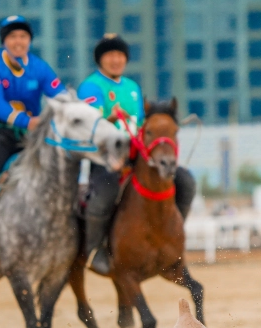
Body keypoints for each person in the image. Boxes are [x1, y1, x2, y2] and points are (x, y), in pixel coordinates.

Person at [76, 34, 197, 275]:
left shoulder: (132, 88)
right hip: (104, 158)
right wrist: (108, 118)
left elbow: (142, 126)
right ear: (100, 59)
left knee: (185, 180)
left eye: (120, 55)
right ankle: (94, 249)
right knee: (105, 194)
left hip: (136, 156)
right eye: (109, 55)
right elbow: (89, 123)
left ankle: (173, 236)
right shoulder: (91, 86)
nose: (115, 60)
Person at [0, 16, 66, 259]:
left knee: (56, 173)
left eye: (23, 36)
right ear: (4, 41)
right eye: (12, 37)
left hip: (30, 138)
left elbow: (60, 96)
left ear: (30, 41)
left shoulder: (40, 68)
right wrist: (27, 121)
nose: (18, 41)